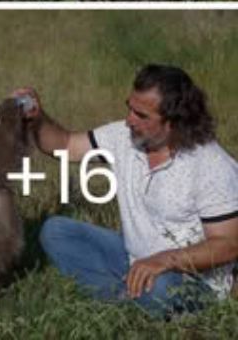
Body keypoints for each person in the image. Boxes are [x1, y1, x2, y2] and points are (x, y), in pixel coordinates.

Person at [17, 64, 238, 318]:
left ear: (174, 122)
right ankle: (124, 301)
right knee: (56, 231)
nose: (129, 120)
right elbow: (66, 145)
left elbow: (228, 245)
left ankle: (132, 302)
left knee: (159, 289)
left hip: (191, 279)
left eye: (142, 116)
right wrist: (37, 118)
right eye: (129, 108)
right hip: (134, 256)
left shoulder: (212, 165)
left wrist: (164, 261)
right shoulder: (125, 136)